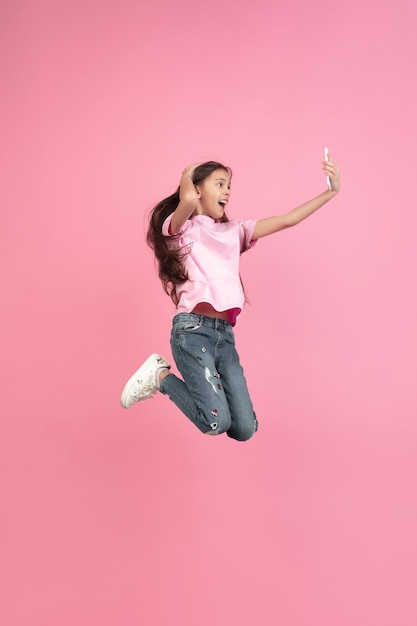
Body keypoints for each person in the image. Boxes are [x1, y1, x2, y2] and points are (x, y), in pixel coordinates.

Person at [120, 155, 340, 441]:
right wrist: (188, 173)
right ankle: (160, 377)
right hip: (193, 331)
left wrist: (331, 191)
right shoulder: (180, 230)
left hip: (224, 337)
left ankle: (187, 388)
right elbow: (186, 199)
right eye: (220, 184)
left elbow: (288, 219)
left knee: (244, 429)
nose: (227, 192)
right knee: (215, 423)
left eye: (229, 186)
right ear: (197, 190)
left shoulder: (235, 231)